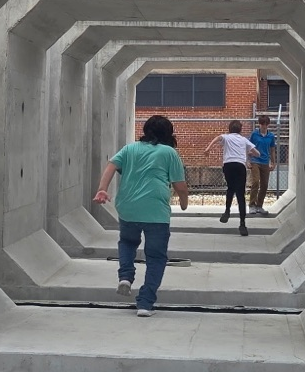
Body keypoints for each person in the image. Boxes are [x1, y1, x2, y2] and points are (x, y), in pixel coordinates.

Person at [94, 115, 188, 318]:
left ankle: (125, 276)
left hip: (128, 207)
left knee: (127, 242)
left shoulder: (130, 148)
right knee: (156, 257)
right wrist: (183, 202)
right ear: (168, 133)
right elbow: (180, 185)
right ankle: (145, 303)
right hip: (155, 212)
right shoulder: (168, 152)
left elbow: (111, 165)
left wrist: (102, 189)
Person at [204, 120, 259, 236]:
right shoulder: (244, 140)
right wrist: (249, 153)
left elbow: (217, 138)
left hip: (228, 165)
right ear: (240, 130)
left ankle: (227, 210)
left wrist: (208, 148)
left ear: (229, 129)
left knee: (230, 188)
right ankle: (242, 224)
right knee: (240, 195)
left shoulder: (226, 137)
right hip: (240, 166)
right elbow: (256, 153)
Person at [248, 114, 277, 215]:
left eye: (266, 124)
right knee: (256, 181)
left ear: (268, 125)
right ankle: (252, 205)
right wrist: (247, 160)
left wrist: (273, 162)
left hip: (265, 162)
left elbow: (272, 149)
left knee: (264, 185)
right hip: (255, 161)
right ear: (259, 124)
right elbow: (248, 147)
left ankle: (259, 205)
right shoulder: (254, 134)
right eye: (262, 124)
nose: (264, 126)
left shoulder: (271, 136)